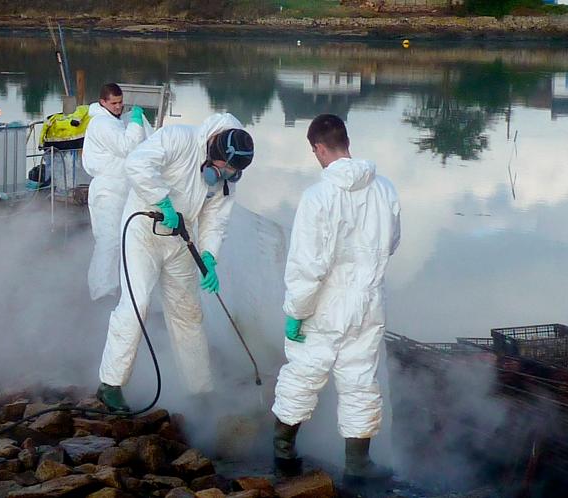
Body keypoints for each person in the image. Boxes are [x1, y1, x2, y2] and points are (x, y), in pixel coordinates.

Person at [271, 114, 401, 488]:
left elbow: (307, 265)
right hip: (368, 302)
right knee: (361, 378)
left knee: (303, 374)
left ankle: (283, 452)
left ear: (319, 148)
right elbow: (392, 242)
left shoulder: (317, 197)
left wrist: (296, 311)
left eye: (314, 151)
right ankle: (358, 465)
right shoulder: (385, 189)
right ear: (347, 142)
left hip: (324, 305)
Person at [96, 112, 254, 412]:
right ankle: (110, 384)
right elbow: (137, 164)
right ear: (214, 147)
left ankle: (199, 390)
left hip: (182, 237)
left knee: (188, 312)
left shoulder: (226, 179)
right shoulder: (178, 139)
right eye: (224, 167)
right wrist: (162, 200)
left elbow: (216, 218)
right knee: (137, 303)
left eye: (232, 172)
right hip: (144, 229)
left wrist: (209, 256)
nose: (225, 175)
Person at [83, 83, 152, 300]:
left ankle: (111, 287)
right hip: (108, 190)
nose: (118, 107)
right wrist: (136, 122)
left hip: (118, 188)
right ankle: (101, 291)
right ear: (102, 102)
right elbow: (127, 146)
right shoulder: (102, 123)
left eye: (121, 102)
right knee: (109, 240)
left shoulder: (114, 120)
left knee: (119, 239)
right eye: (113, 103)